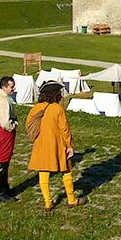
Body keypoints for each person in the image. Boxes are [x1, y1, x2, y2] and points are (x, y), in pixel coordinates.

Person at [27, 81, 87, 211]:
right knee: (66, 171)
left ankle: (48, 202)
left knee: (43, 173)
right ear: (55, 94)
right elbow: (65, 129)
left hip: (41, 145)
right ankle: (71, 200)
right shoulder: (57, 109)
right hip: (58, 145)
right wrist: (69, 145)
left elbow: (29, 126)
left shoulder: (35, 108)